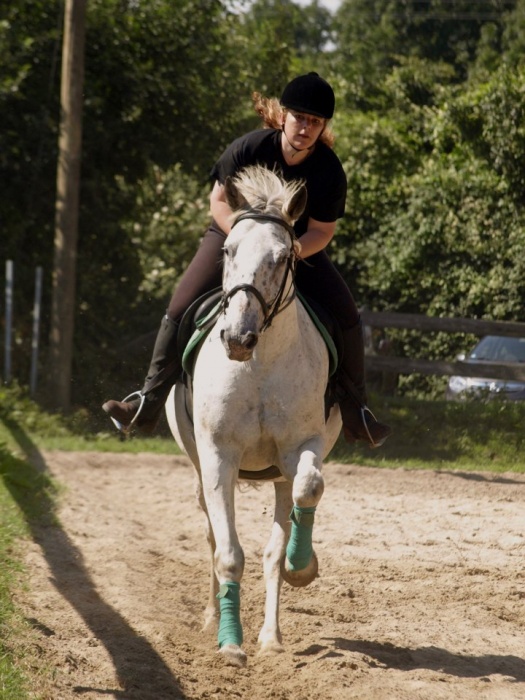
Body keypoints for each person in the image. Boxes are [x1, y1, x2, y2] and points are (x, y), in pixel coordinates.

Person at [103, 72, 392, 447]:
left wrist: (293, 251)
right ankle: (146, 402)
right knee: (180, 304)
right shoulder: (249, 148)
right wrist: (243, 238)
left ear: (323, 127)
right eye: (300, 118)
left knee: (348, 315)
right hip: (232, 238)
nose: (305, 128)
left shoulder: (329, 171)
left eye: (315, 122)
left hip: (294, 249)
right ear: (283, 115)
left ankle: (358, 413)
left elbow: (323, 230)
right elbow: (218, 202)